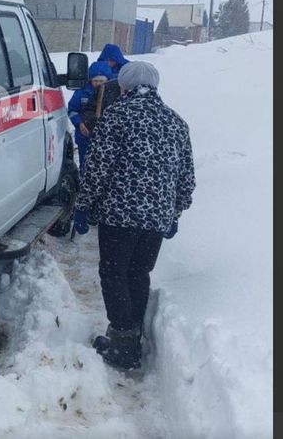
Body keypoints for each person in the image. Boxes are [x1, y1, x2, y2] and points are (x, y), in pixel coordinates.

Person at [74, 61, 195, 370]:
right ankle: (133, 337)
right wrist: (176, 213)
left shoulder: (116, 116)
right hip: (157, 219)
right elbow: (186, 179)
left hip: (119, 215)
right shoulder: (177, 122)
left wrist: (83, 206)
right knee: (138, 273)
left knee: (114, 274)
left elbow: (97, 168)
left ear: (124, 87)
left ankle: (123, 346)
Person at [67, 61, 120, 235]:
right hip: (85, 138)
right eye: (95, 81)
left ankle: (98, 205)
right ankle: (85, 202)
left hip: (104, 142)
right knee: (87, 169)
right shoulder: (82, 93)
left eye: (101, 81)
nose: (98, 84)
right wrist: (80, 124)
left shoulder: (112, 94)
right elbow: (73, 110)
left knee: (103, 172)